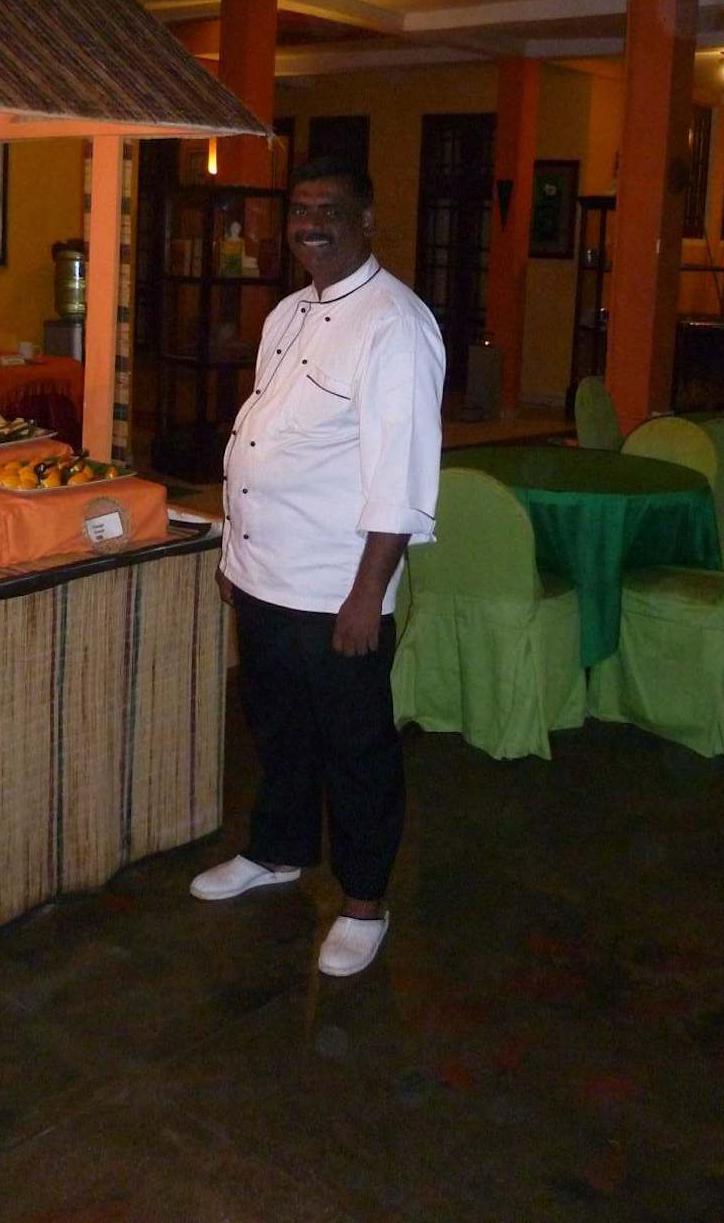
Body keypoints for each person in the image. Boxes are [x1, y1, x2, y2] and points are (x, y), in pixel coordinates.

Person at [190, 157, 445, 977]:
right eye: (300, 210)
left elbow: (400, 473)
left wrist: (367, 594)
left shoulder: (394, 323)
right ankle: (277, 851)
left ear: (365, 219)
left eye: (329, 209)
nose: (310, 225)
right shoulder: (288, 312)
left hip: (338, 587)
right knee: (278, 729)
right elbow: (261, 435)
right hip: (264, 573)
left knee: (355, 749)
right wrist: (235, 553)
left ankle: (364, 901)